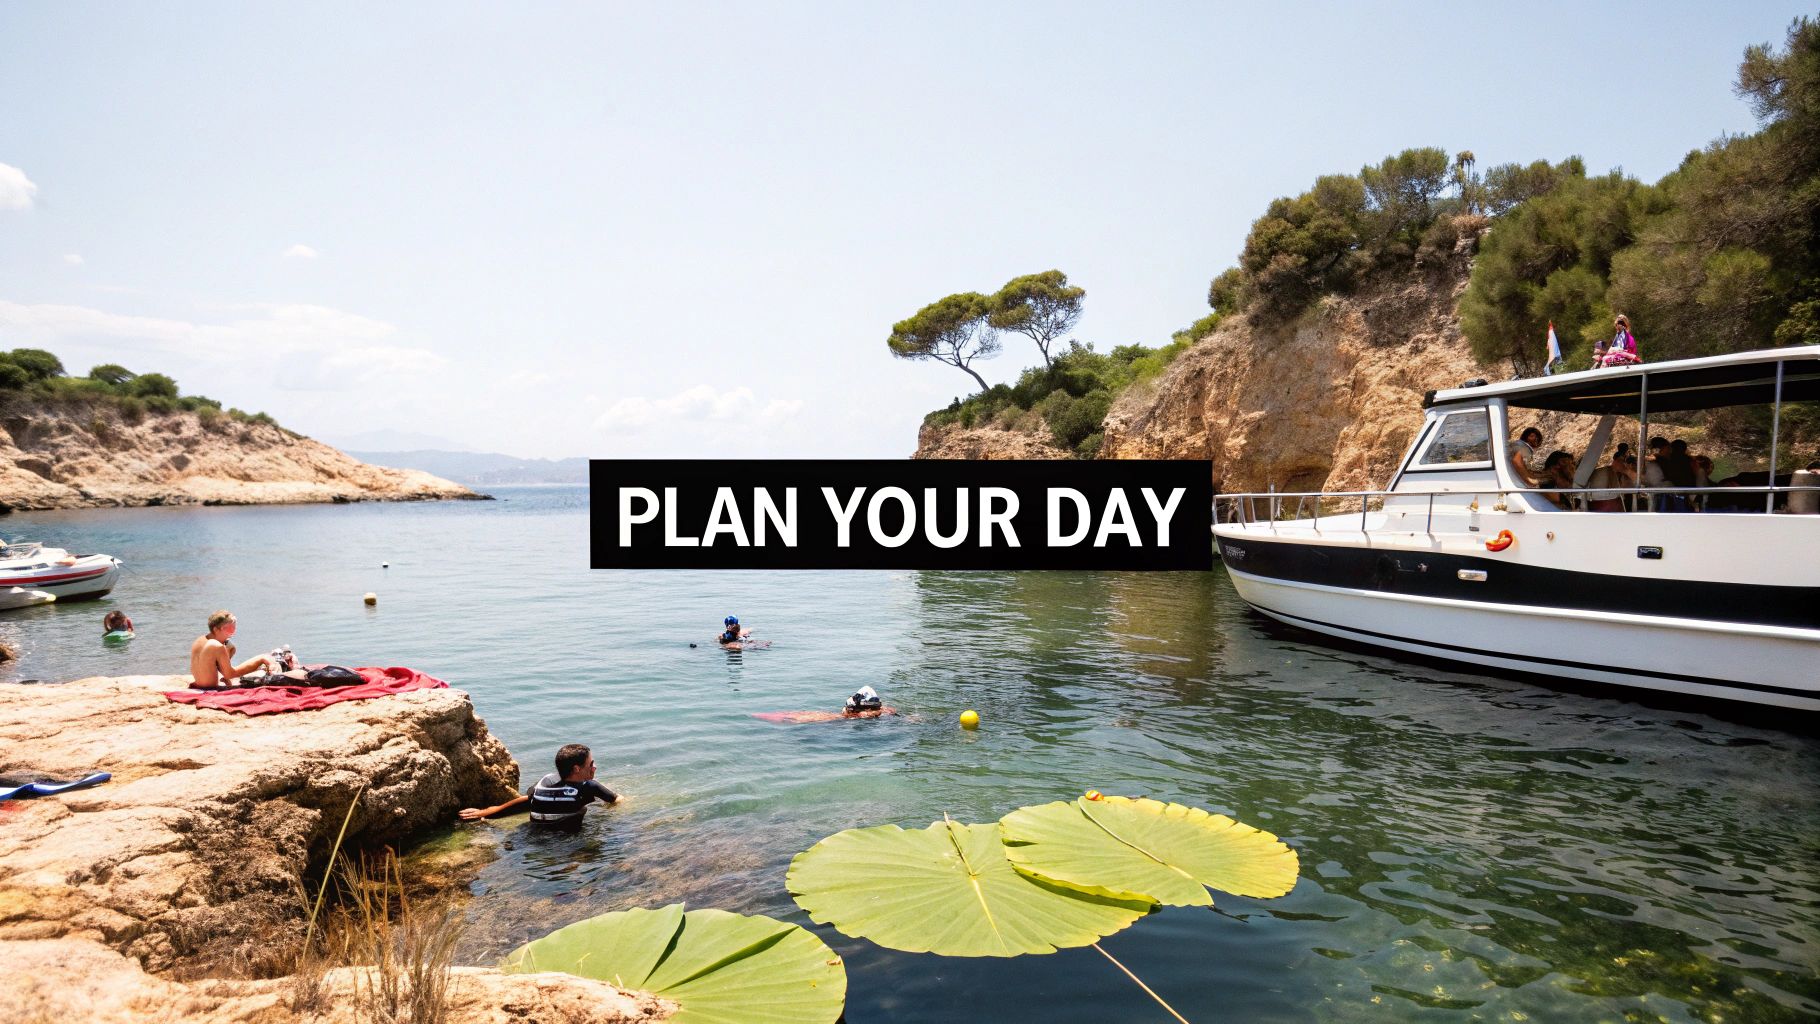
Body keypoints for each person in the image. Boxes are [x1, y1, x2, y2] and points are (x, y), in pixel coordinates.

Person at [458, 744, 621, 827]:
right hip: (568, 842)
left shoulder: (542, 785)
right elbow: (616, 800)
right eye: (591, 764)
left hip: (537, 833)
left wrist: (486, 812)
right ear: (577, 769)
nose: (594, 767)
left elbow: (526, 801)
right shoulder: (590, 787)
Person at [188, 610, 280, 688]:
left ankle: (225, 674)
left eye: (234, 627)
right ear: (216, 629)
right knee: (262, 660)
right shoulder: (217, 646)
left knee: (230, 648)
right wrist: (261, 659)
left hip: (199, 684)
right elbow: (230, 674)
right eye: (229, 628)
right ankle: (264, 660)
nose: (233, 631)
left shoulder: (200, 640)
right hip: (209, 688)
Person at [1585, 448, 1636, 512]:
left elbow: (1638, 483)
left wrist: (1626, 471)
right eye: (1621, 460)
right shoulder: (1606, 473)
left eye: (1624, 460)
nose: (1623, 463)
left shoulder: (1627, 473)